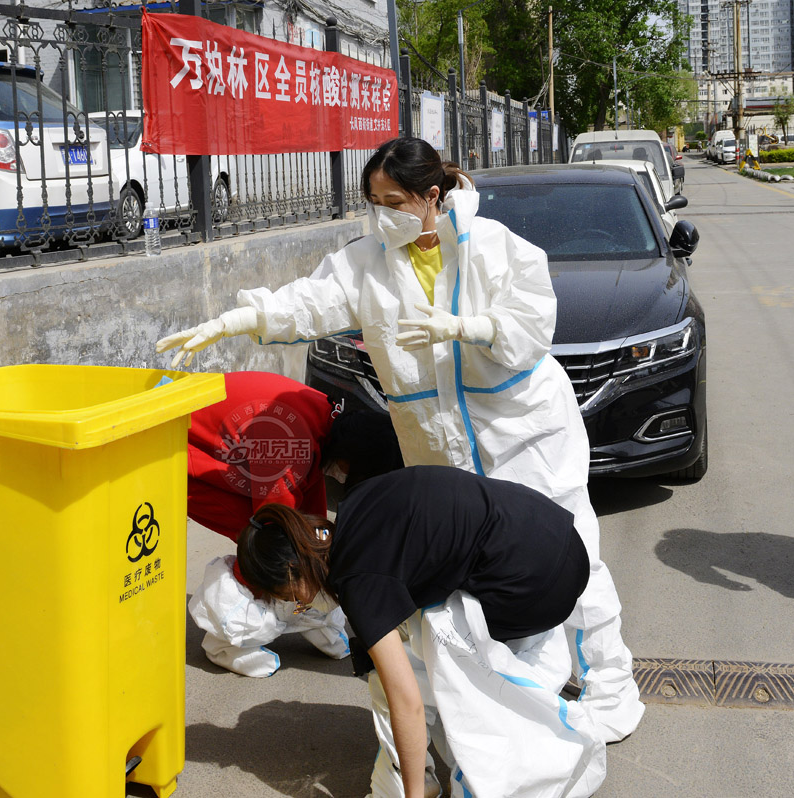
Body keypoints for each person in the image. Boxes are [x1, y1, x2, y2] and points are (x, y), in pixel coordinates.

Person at [157, 137, 643, 741]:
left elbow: (533, 326)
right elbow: (309, 302)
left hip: (524, 430)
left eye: (392, 200)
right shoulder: (369, 263)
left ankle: (609, 684)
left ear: (430, 196)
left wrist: (470, 328)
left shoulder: (497, 249)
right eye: (372, 201)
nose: (379, 212)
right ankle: (509, 701)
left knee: (569, 550)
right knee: (470, 577)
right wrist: (240, 319)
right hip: (439, 445)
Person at [236, 466, 606, 798]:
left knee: (435, 667)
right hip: (557, 535)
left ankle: (483, 769)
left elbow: (406, 703)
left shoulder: (360, 581)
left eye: (290, 598)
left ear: (291, 572)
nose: (299, 607)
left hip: (541, 587)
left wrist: (413, 794)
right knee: (401, 643)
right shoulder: (355, 506)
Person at [186, 371, 402, 677]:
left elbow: (312, 521)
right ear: (354, 463)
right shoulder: (289, 447)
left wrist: (322, 568)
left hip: (224, 442)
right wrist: (296, 582)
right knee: (262, 542)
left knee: (308, 541)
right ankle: (228, 637)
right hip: (179, 450)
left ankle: (301, 613)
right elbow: (270, 538)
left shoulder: (325, 419)